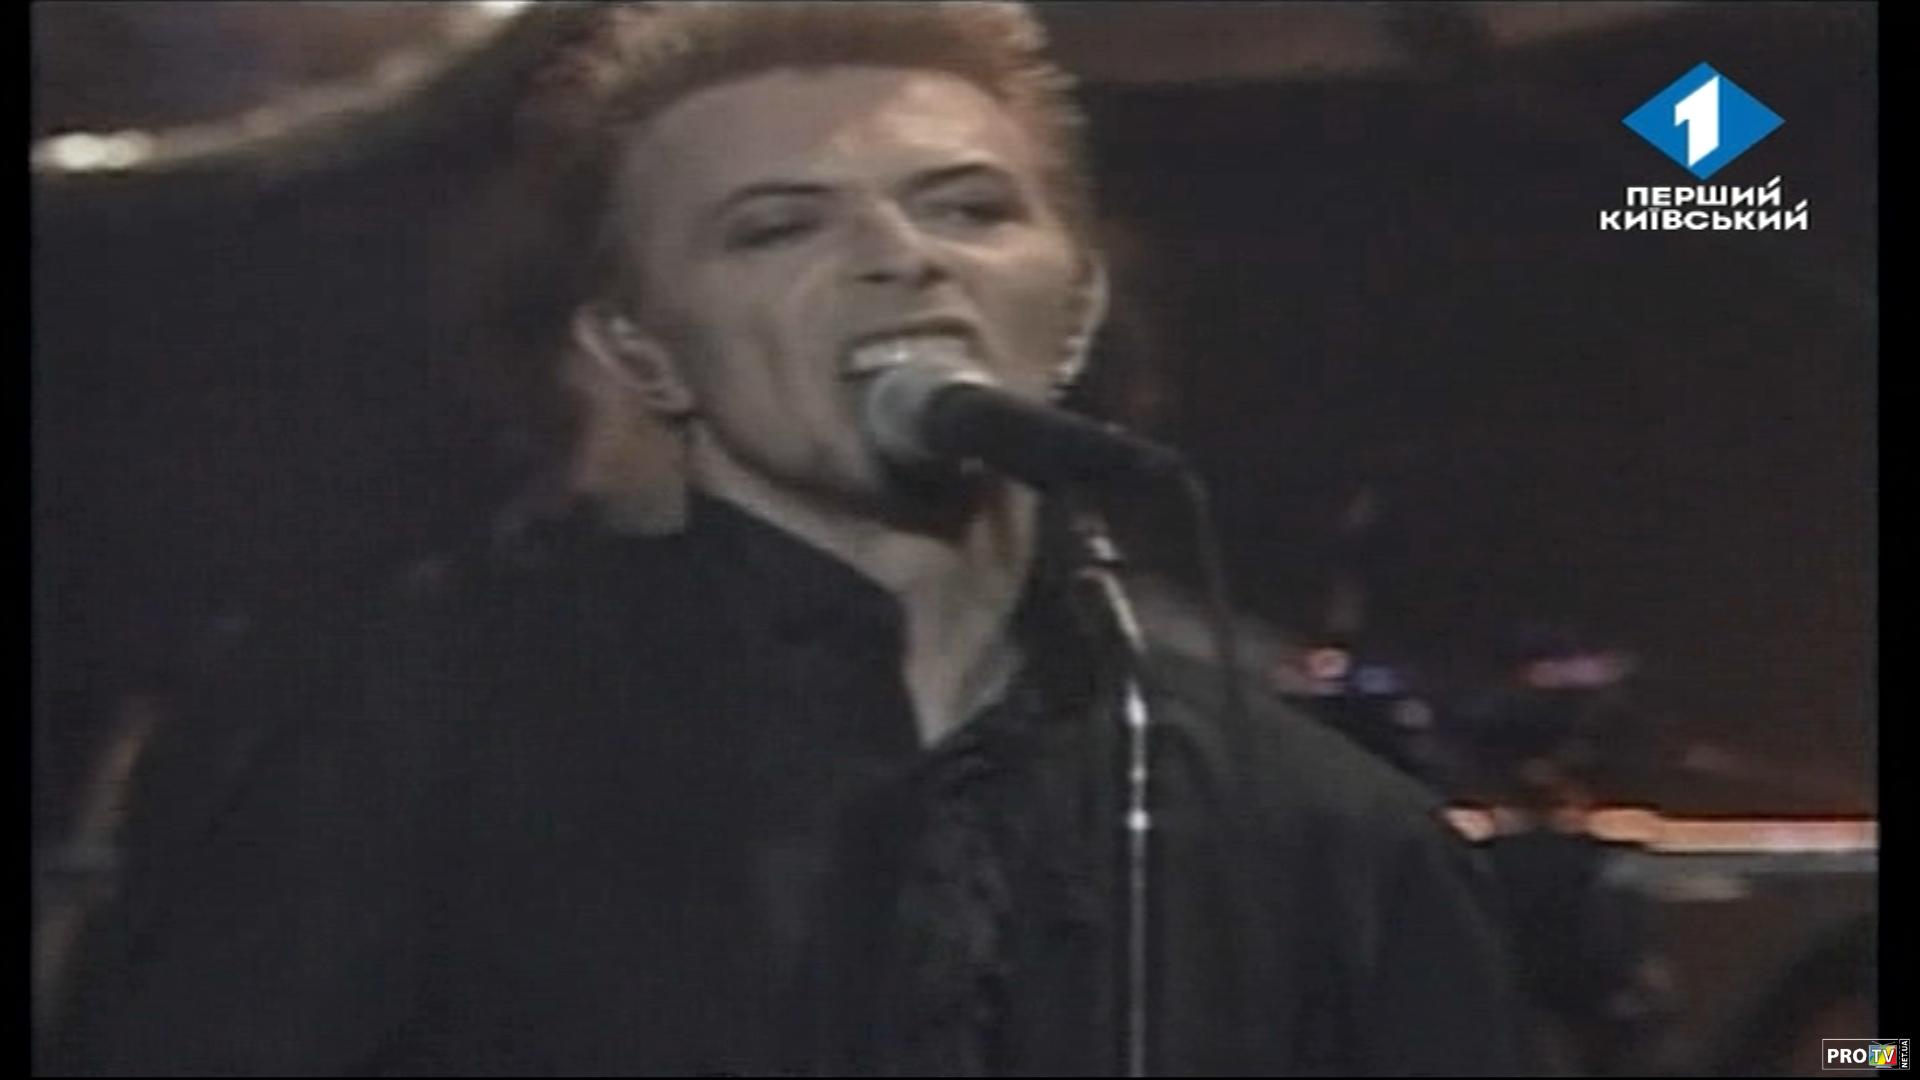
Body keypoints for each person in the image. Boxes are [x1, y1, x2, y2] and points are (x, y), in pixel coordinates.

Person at [47, 4, 1525, 1075]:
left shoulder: (1318, 822)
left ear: (1073, 305)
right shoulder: (391, 741)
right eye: (776, 226)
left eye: (968, 207)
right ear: (640, 351)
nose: (899, 256)